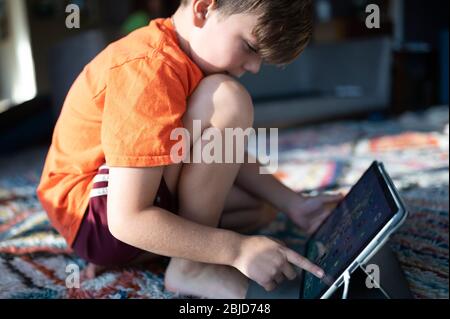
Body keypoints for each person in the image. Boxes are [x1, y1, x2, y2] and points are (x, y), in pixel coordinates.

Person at [37, 0, 343, 299]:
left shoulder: (185, 58)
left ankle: (149, 253)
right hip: (98, 218)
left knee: (257, 206)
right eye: (250, 47)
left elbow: (222, 153)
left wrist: (292, 203)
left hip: (116, 221)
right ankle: (192, 267)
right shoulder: (149, 66)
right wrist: (235, 250)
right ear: (203, 9)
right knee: (227, 99)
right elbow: (126, 220)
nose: (253, 67)